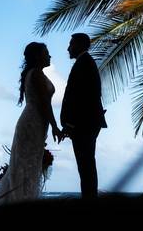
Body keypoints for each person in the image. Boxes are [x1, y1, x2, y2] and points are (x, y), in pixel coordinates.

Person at [0, 42, 62, 205]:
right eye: (46, 53)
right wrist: (55, 126)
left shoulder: (34, 73)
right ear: (38, 56)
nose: (50, 56)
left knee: (27, 166)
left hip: (35, 122)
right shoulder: (37, 75)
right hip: (33, 122)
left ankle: (22, 201)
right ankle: (21, 202)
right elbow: (45, 103)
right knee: (26, 166)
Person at [59, 33, 107, 198]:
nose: (68, 48)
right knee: (86, 165)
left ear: (79, 45)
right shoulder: (84, 62)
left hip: (83, 124)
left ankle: (89, 200)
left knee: (85, 165)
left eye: (71, 44)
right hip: (86, 122)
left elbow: (80, 98)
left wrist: (70, 124)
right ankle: (89, 198)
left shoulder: (84, 63)